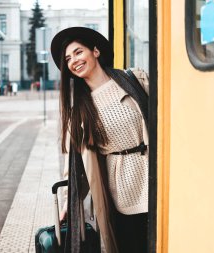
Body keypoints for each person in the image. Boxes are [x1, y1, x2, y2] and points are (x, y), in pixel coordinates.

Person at [51, 27, 149, 253]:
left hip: (155, 179)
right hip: (121, 194)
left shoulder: (135, 79)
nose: (74, 61)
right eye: (68, 59)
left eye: (78, 52)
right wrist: (69, 202)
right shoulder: (79, 113)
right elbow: (74, 166)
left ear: (95, 51)